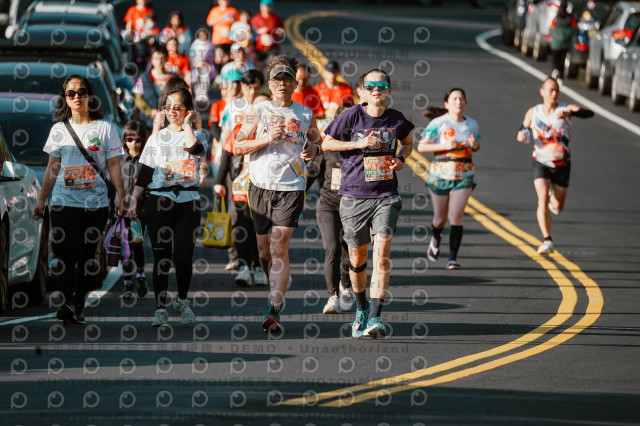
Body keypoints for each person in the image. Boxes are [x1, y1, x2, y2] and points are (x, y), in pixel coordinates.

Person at [322, 69, 414, 339]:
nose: (376, 90)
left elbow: (408, 143)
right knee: (357, 257)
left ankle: (375, 317)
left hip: (386, 195)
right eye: (370, 85)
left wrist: (401, 159)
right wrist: (359, 143)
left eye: (381, 85)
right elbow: (327, 144)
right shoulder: (352, 115)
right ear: (362, 90)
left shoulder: (396, 119)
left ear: (388, 90)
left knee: (382, 253)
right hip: (353, 196)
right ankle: (361, 309)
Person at [234, 55, 321, 333]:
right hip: (260, 186)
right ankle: (277, 277)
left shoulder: (305, 114)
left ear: (295, 84)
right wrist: (266, 138)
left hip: (291, 187)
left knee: (278, 245)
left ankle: (274, 307)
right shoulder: (258, 111)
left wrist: (313, 150)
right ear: (270, 85)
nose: (282, 84)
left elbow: (317, 141)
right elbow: (237, 146)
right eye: (277, 80)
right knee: (264, 252)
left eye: (287, 79)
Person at [33, 75, 126, 325]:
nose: (76, 97)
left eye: (81, 92)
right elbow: (53, 167)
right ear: (65, 98)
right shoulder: (59, 130)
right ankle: (66, 302)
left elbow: (113, 165)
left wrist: (121, 194)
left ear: (89, 96)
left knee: (87, 256)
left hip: (95, 204)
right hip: (63, 201)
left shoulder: (105, 128)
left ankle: (79, 302)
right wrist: (41, 200)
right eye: (70, 93)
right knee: (65, 254)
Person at [127, 87, 208, 327]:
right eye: (168, 107)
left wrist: (188, 124)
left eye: (177, 107)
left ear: (188, 110)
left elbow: (196, 149)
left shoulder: (198, 134)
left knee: (183, 255)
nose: (172, 111)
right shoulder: (156, 138)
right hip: (159, 200)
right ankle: (160, 308)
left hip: (188, 201)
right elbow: (145, 173)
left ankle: (182, 300)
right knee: (161, 256)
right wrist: (134, 199)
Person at [516, 77, 593, 254]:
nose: (554, 93)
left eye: (557, 90)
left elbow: (589, 113)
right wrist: (521, 134)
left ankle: (553, 199)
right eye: (550, 89)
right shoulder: (533, 112)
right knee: (542, 198)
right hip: (541, 162)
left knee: (557, 207)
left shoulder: (565, 108)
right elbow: (523, 129)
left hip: (562, 164)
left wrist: (570, 113)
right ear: (542, 92)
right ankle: (547, 239)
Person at [214, 70, 268, 287]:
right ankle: (244, 265)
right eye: (248, 88)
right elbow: (227, 149)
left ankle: (259, 266)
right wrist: (219, 181)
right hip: (239, 179)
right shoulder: (235, 118)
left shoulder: (271, 118)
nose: (252, 92)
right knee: (241, 223)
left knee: (260, 223)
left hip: (264, 180)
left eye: (256, 88)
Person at [417, 88, 480, 270]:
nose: (458, 102)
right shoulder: (439, 123)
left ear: (465, 103)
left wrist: (475, 145)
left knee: (456, 216)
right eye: (454, 99)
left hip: (464, 174)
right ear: (446, 104)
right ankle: (436, 238)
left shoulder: (472, 124)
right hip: (440, 174)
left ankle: (452, 258)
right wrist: (445, 145)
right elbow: (422, 147)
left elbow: (476, 146)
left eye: (461, 99)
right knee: (440, 219)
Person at [314, 102, 354, 314]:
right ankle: (332, 297)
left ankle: (346, 286)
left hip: (355, 206)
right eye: (343, 118)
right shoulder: (327, 146)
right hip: (328, 205)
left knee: (351, 251)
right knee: (333, 248)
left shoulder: (363, 146)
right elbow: (311, 175)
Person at [119, 121, 149, 298]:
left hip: (141, 210)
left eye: (137, 140)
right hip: (122, 210)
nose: (133, 143)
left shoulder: (146, 161)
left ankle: (140, 275)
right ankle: (127, 283)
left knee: (137, 244)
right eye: (129, 139)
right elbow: (112, 185)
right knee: (125, 246)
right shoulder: (119, 161)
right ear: (124, 140)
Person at [132, 45, 176, 130]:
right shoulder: (143, 78)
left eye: (162, 58)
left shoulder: (173, 78)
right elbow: (138, 99)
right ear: (152, 60)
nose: (159, 62)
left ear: (166, 59)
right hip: (148, 123)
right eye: (156, 58)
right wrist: (150, 111)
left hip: (170, 122)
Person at [313, 61, 355, 131]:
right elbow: (312, 111)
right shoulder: (316, 89)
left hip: (339, 127)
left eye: (334, 72)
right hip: (320, 128)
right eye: (329, 72)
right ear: (325, 72)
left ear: (338, 72)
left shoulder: (347, 89)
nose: (332, 75)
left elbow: (350, 110)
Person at [250, 0, 284, 71]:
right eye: (265, 6)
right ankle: (260, 77)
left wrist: (279, 32)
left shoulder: (276, 18)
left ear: (272, 7)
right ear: (261, 7)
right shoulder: (256, 18)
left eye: (269, 6)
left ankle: (272, 77)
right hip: (259, 47)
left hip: (273, 47)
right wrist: (258, 31)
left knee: (273, 64)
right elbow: (250, 32)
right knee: (259, 66)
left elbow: (281, 29)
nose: (267, 8)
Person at [549, 0, 577, 83]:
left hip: (556, 44)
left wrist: (556, 36)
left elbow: (551, 29)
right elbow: (574, 29)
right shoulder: (571, 18)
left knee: (555, 59)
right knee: (562, 59)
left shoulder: (556, 18)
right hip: (565, 44)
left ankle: (555, 72)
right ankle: (560, 75)